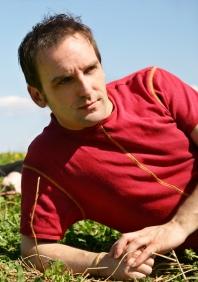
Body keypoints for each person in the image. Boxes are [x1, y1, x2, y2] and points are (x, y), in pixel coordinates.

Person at [18, 13, 198, 280]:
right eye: (64, 81)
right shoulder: (46, 159)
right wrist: (103, 263)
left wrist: (178, 227)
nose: (86, 89)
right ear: (37, 96)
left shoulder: (153, 86)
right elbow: (33, 250)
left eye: (90, 69)